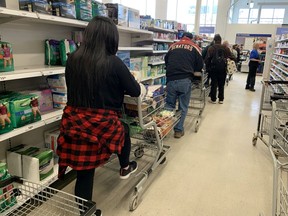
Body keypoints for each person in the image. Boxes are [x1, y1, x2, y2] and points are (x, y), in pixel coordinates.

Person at [56, 16, 141, 206]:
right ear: (111, 38)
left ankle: (84, 212)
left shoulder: (72, 59)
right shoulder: (114, 62)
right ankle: (125, 167)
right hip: (102, 125)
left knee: (84, 174)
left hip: (74, 123)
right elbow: (135, 90)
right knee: (124, 129)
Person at [164, 32, 203, 138]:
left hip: (171, 79)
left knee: (169, 105)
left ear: (181, 38)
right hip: (185, 79)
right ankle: (178, 130)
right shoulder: (195, 47)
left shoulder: (173, 46)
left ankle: (164, 128)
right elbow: (200, 65)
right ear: (192, 39)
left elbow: (166, 61)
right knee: (182, 106)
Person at [205, 34, 235, 104]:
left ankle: (213, 99)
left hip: (213, 69)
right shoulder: (225, 48)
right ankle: (221, 99)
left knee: (214, 84)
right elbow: (233, 57)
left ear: (214, 40)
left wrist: (208, 67)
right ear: (221, 40)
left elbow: (207, 59)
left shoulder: (211, 48)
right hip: (223, 68)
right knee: (221, 84)